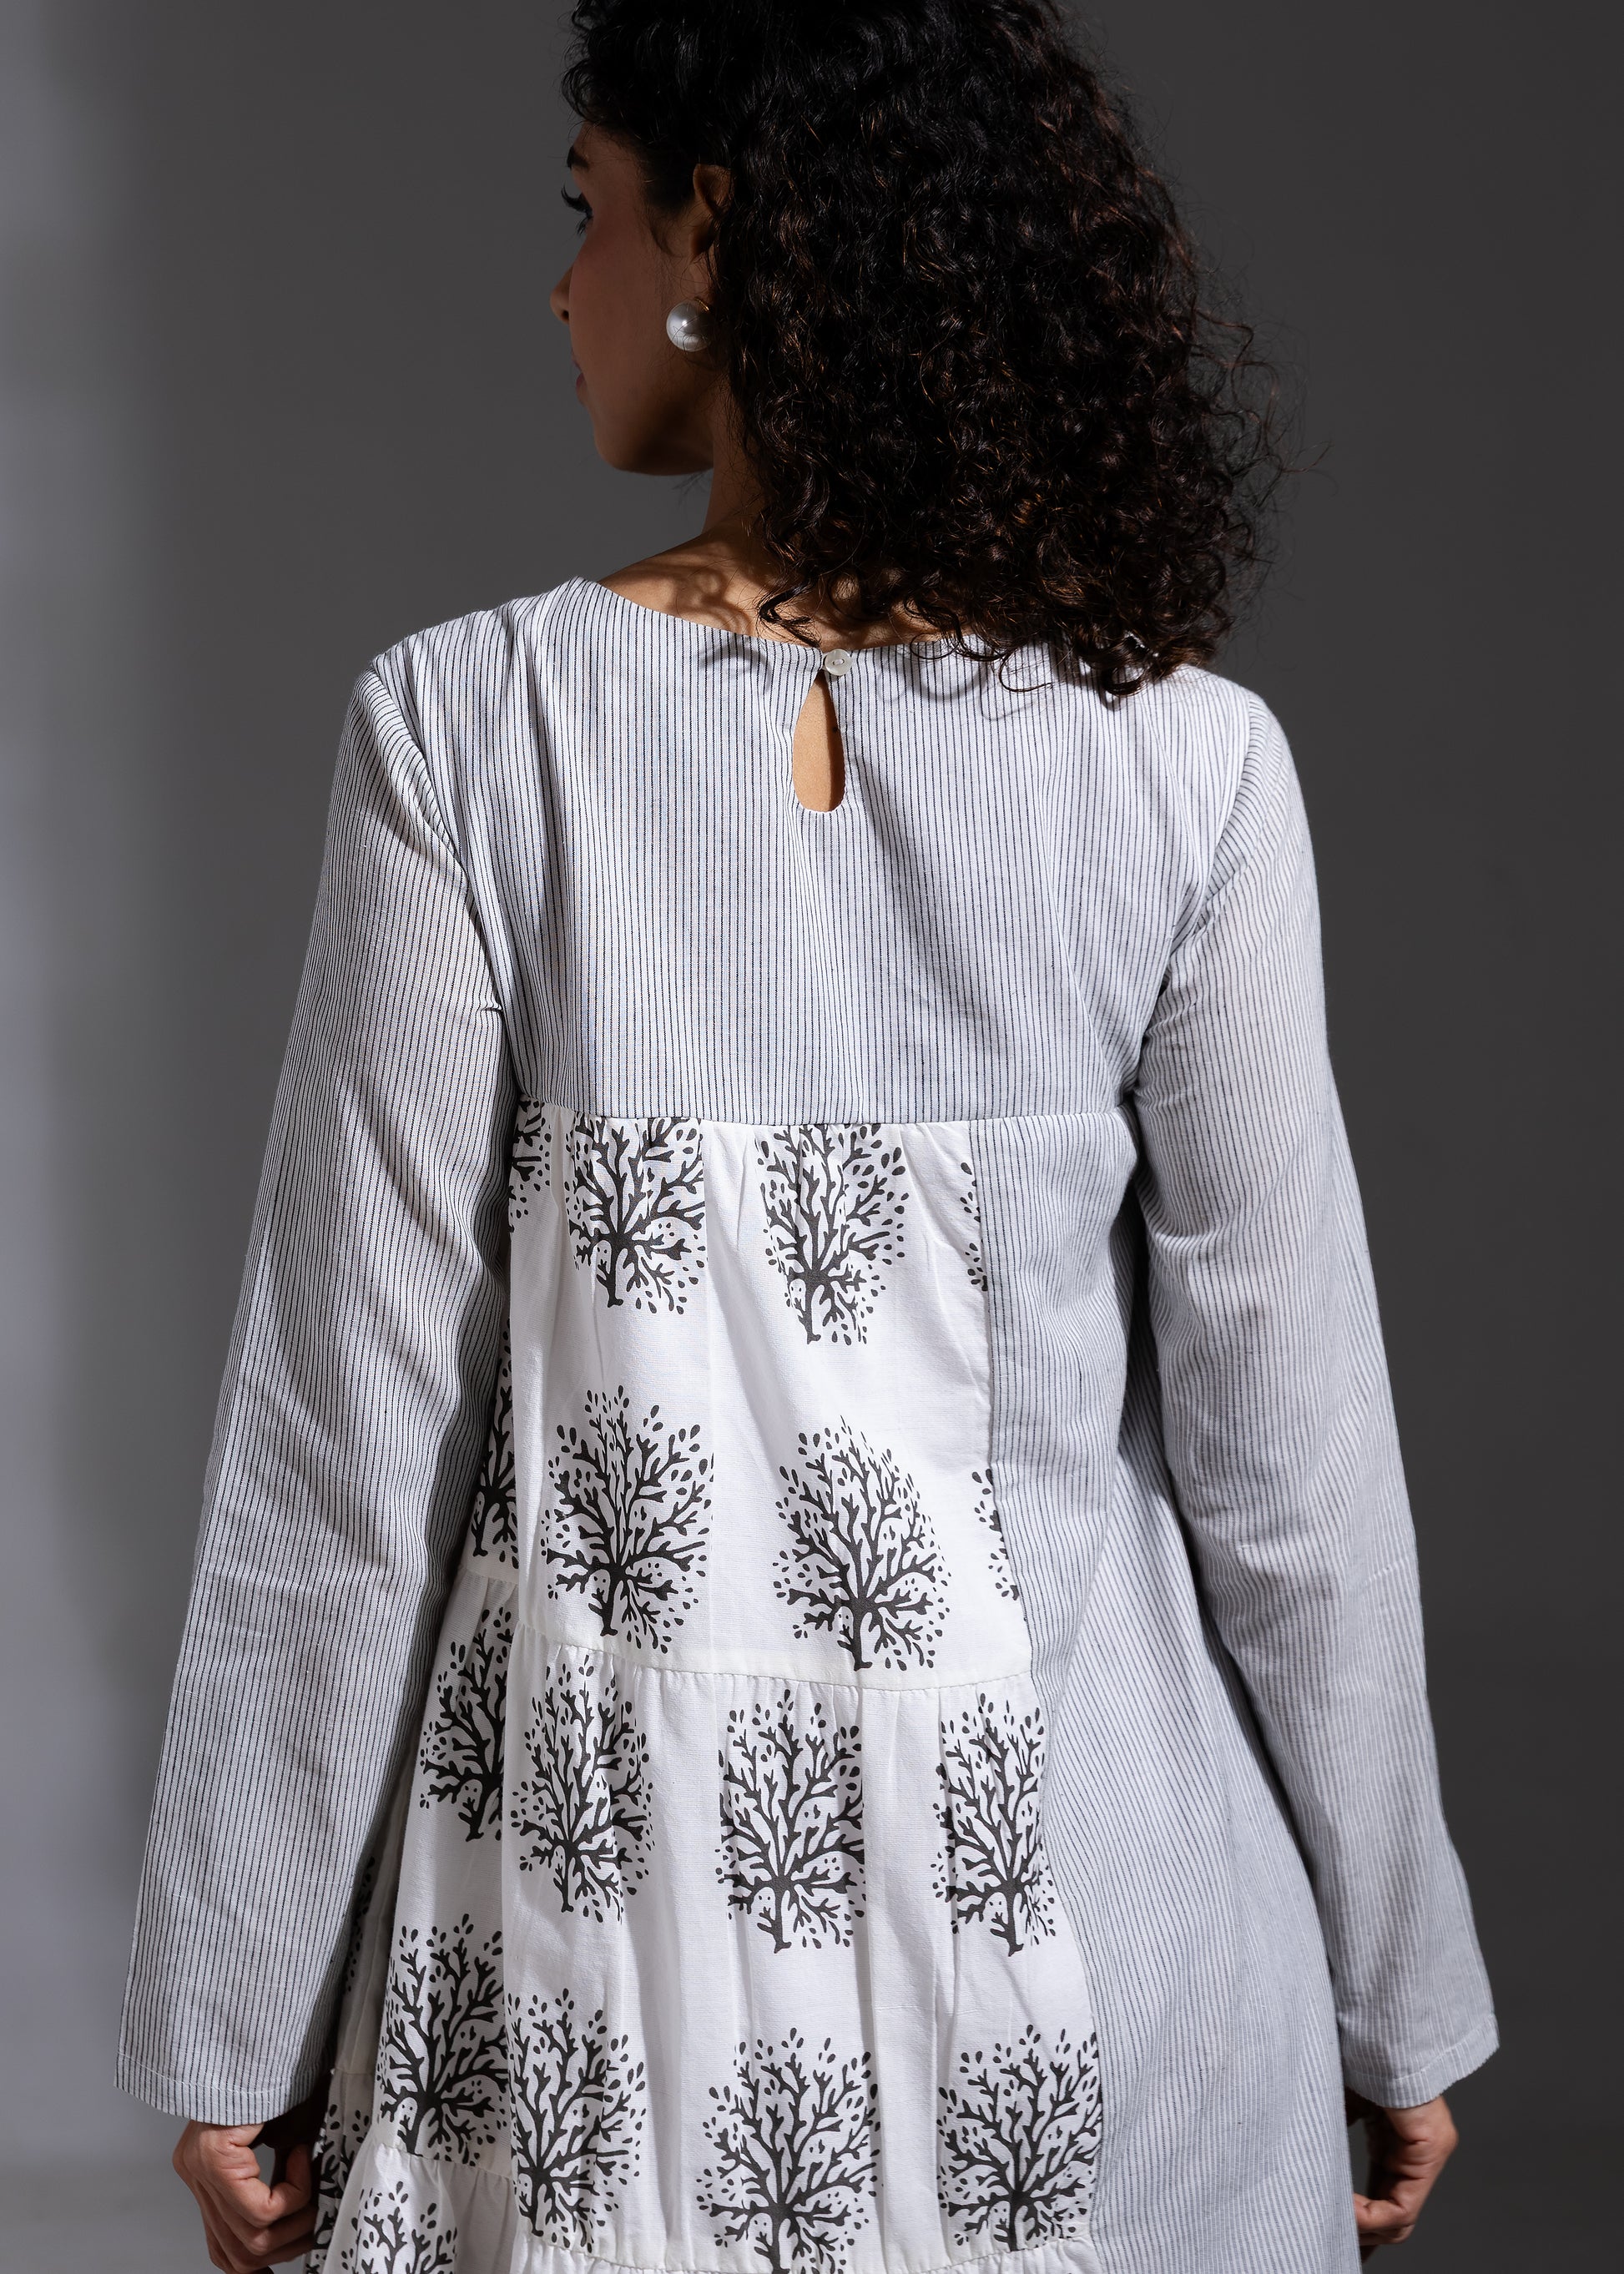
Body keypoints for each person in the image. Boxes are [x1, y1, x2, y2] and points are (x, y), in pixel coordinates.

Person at [119, 3, 1496, 2269]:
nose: (554, 283)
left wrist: (231, 2014)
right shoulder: (1188, 765)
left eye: (585, 211)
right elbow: (1293, 1456)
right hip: (1108, 1930)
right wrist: (1398, 1988)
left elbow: (345, 1433)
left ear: (716, 239)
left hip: (595, 1968)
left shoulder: (471, 729)